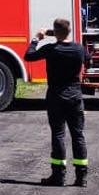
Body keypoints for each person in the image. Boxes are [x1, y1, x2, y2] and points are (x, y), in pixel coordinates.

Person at [25, 18, 90, 186]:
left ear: (55, 32)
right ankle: (81, 177)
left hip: (56, 97)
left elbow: (29, 56)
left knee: (58, 135)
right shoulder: (79, 49)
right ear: (69, 31)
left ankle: (58, 176)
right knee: (78, 135)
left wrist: (37, 39)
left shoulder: (50, 49)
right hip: (75, 97)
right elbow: (88, 59)